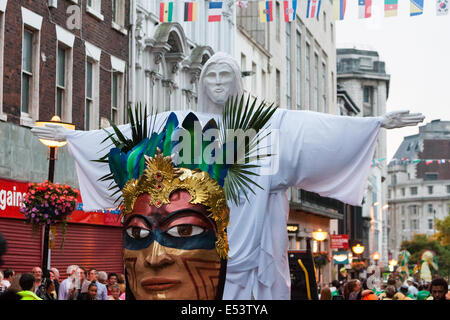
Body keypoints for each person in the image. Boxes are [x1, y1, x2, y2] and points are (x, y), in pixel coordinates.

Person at [31, 52, 425, 300]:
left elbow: (318, 131)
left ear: (237, 82)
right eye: (211, 76)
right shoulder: (176, 127)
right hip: (189, 257)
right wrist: (72, 135)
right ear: (201, 83)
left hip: (250, 261)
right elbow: (121, 142)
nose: (218, 84)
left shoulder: (267, 129)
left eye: (226, 76)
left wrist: (375, 123)